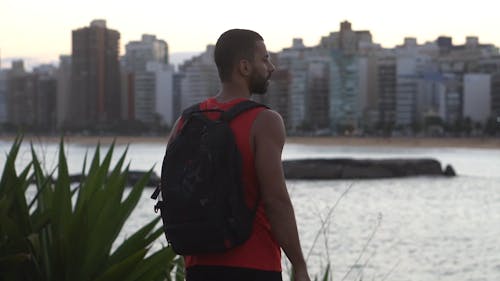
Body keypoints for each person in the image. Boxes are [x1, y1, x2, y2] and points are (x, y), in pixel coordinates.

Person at [169, 29, 311, 281]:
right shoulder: (264, 121)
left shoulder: (185, 121)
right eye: (265, 59)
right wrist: (299, 266)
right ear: (244, 67)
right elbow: (275, 200)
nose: (272, 67)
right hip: (254, 266)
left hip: (198, 267)